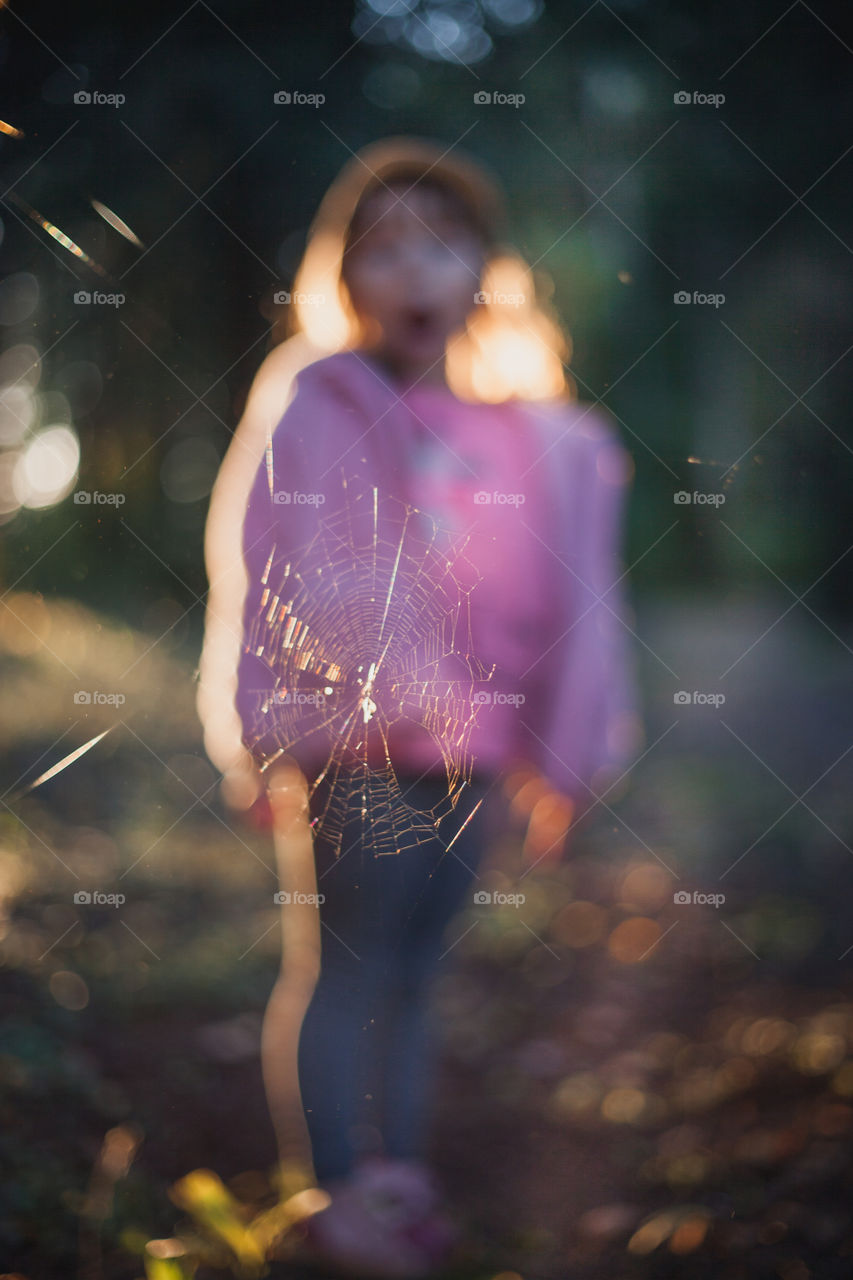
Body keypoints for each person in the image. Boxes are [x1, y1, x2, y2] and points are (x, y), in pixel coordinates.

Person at [198, 136, 640, 1278]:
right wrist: (268, 730)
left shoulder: (525, 437)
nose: (413, 270)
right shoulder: (318, 400)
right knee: (343, 966)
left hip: (473, 761)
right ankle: (335, 1190)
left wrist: (560, 750)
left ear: (482, 274)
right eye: (384, 247)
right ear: (345, 279)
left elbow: (560, 601)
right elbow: (270, 565)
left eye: (441, 245)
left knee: (417, 976)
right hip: (353, 750)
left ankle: (395, 1179)